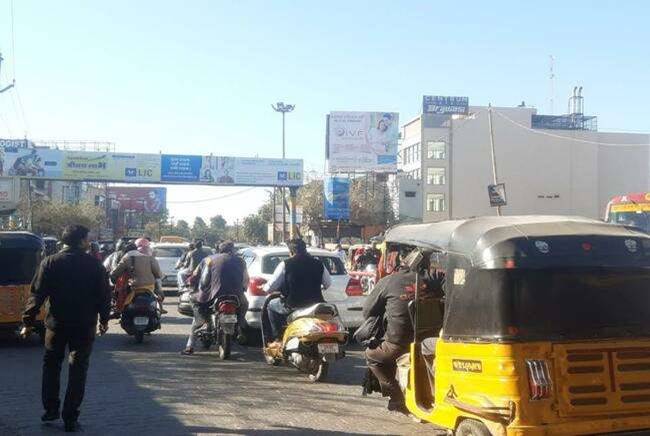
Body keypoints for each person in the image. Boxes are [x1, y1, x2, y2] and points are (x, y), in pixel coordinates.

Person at [22, 225, 111, 432]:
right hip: (84, 326)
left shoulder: (50, 262)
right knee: (78, 369)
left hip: (56, 325)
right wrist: (104, 320)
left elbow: (37, 294)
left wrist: (27, 321)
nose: (89, 242)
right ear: (81, 241)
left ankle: (51, 410)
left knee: (52, 365)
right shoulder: (95, 265)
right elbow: (104, 296)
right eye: (87, 238)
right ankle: (70, 418)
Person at [362, 253, 444, 414]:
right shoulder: (429, 281)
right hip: (427, 341)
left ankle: (396, 395)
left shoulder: (388, 281)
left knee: (371, 355)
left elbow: (368, 311)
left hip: (398, 345)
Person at [181, 241, 249, 355]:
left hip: (211, 295)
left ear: (219, 250)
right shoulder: (241, 261)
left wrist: (189, 283)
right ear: (233, 250)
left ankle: (192, 341)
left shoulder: (208, 259)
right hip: (236, 295)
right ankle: (241, 324)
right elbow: (246, 280)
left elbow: (197, 277)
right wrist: (242, 290)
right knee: (245, 304)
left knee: (193, 300)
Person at [263, 238, 331, 347]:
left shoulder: (286, 264)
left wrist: (264, 288)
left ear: (291, 252)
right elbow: (328, 284)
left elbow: (271, 287)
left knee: (271, 305)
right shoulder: (319, 264)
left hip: (293, 305)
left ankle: (277, 339)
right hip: (315, 305)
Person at [110, 238, 164, 313]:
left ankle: (119, 311)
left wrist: (113, 279)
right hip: (150, 286)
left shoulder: (126, 258)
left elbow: (115, 273)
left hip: (134, 287)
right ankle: (160, 308)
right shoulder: (149, 258)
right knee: (158, 294)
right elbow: (158, 274)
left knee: (123, 298)